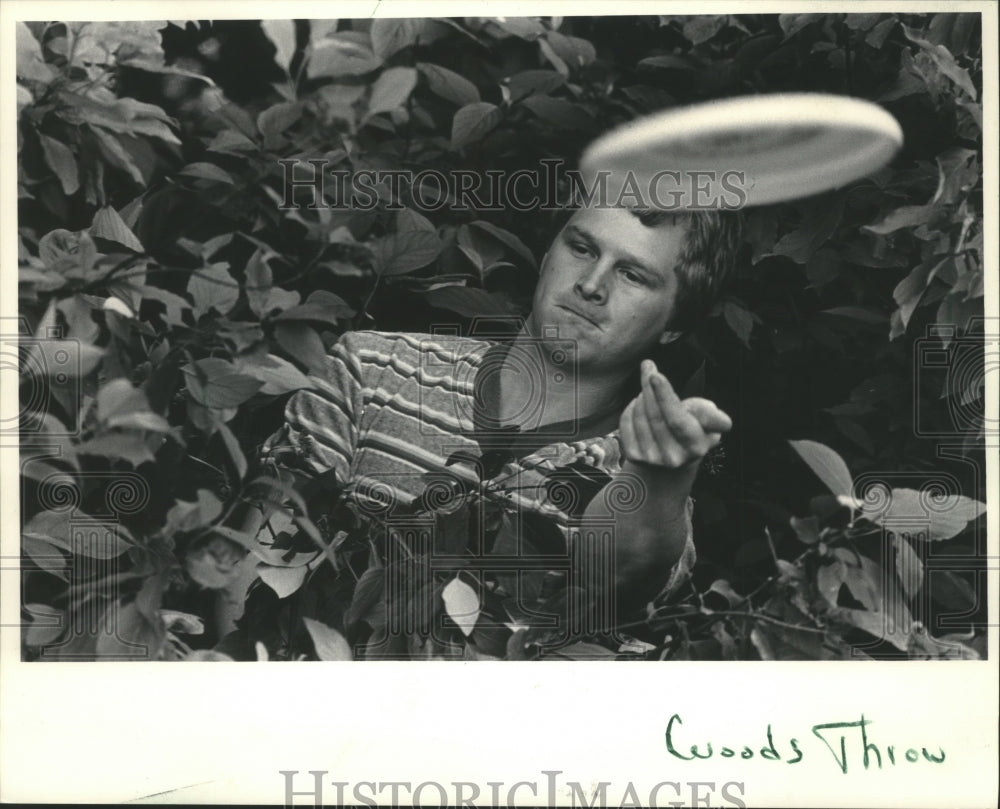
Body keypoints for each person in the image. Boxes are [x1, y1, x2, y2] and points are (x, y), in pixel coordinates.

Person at [218, 201, 742, 646]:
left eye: (633, 274)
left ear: (677, 324)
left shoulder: (650, 488)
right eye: (582, 248)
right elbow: (249, 586)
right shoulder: (373, 369)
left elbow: (618, 582)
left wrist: (657, 480)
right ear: (547, 251)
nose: (590, 285)